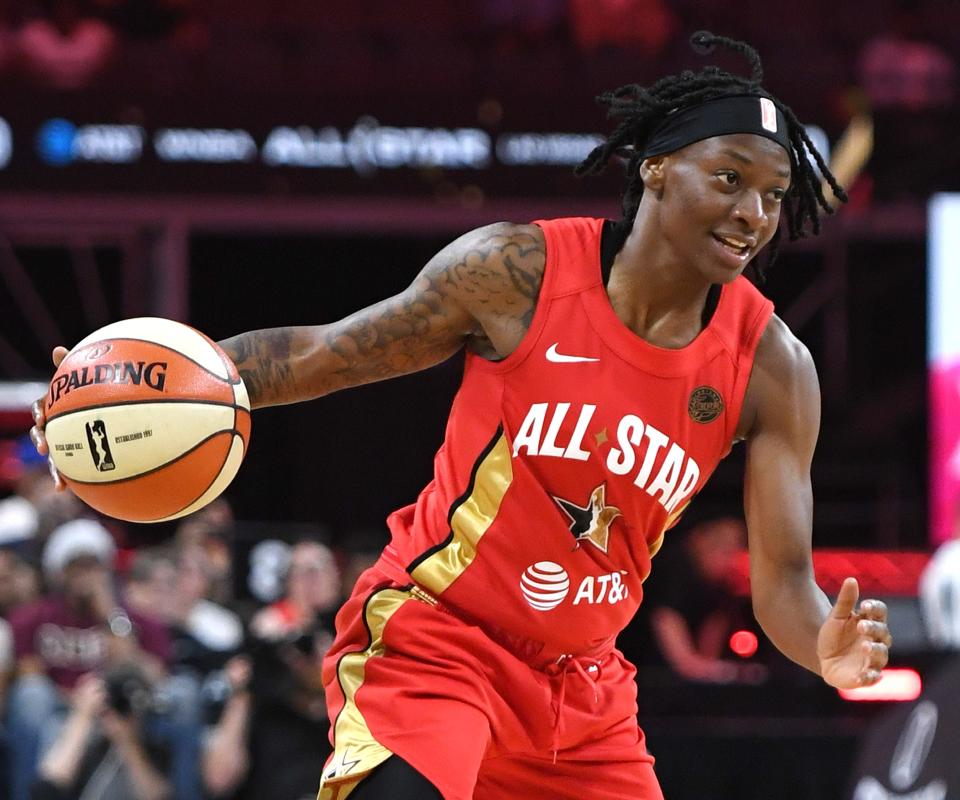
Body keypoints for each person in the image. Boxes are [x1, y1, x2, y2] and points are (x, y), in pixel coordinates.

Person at [31, 31, 893, 800]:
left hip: (584, 693)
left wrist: (823, 644)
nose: (752, 213)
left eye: (775, 195)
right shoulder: (515, 273)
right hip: (441, 641)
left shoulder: (773, 366)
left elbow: (783, 581)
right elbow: (322, 354)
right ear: (657, 167)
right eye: (731, 178)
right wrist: (135, 387)